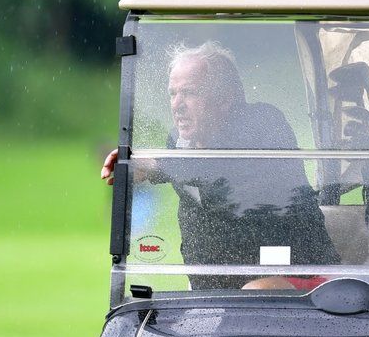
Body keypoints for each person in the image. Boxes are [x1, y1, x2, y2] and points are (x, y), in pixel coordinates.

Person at [102, 42, 338, 289]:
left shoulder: (262, 124)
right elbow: (187, 171)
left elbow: (220, 172)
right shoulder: (179, 142)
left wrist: (154, 164)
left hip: (298, 275)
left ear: (224, 99)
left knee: (255, 291)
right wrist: (139, 168)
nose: (177, 104)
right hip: (218, 287)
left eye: (190, 93)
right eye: (173, 93)